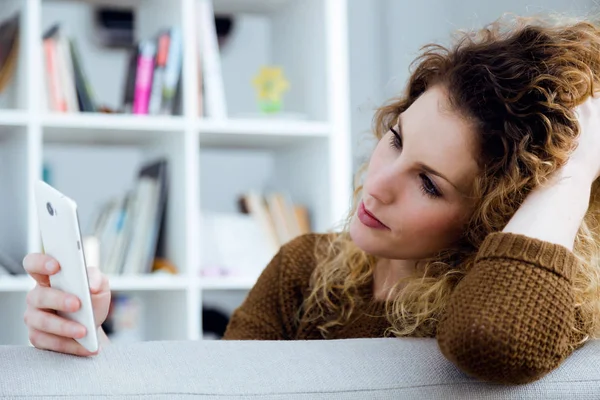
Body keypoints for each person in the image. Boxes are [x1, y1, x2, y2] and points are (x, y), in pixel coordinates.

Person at [22, 14, 600, 385]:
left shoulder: (541, 303)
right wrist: (86, 354)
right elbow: (212, 389)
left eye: (429, 183)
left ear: (491, 217)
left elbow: (490, 338)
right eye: (395, 139)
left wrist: (571, 172)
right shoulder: (302, 268)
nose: (377, 183)